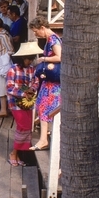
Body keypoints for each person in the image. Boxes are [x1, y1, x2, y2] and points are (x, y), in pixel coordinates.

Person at [28, 18, 62, 150]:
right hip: (49, 81)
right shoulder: (50, 39)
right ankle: (44, 137)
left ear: (42, 27)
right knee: (42, 106)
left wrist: (43, 59)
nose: (35, 34)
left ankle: (43, 140)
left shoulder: (53, 39)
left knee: (44, 106)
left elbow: (60, 56)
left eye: (36, 31)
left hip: (53, 82)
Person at [6, 42, 41, 166]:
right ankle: (14, 153)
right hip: (15, 103)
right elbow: (9, 87)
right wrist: (23, 93)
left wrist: (32, 89)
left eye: (31, 59)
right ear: (22, 58)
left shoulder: (32, 69)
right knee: (23, 127)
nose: (29, 61)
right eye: (28, 59)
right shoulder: (13, 69)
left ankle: (18, 154)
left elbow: (36, 82)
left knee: (27, 127)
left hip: (28, 103)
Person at [0, 19, 13, 117]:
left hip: (2, 64)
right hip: (1, 63)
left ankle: (3, 110)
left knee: (1, 87)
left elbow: (10, 50)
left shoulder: (3, 36)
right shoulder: (3, 35)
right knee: (3, 86)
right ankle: (6, 108)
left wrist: (3, 59)